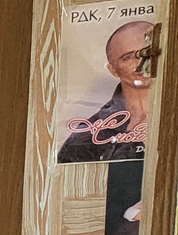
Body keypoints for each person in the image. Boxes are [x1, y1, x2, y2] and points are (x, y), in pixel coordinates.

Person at [59, 19, 155, 163]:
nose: (140, 63)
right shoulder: (89, 134)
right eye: (128, 57)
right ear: (113, 70)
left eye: (147, 53)